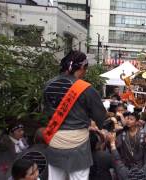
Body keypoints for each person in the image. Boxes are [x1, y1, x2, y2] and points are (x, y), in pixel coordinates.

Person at [43, 50, 107, 180]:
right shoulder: (85, 88)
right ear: (82, 67)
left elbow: (47, 112)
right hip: (78, 145)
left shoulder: (48, 85)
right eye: (86, 68)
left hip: (54, 139)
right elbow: (101, 117)